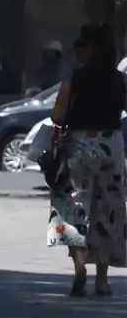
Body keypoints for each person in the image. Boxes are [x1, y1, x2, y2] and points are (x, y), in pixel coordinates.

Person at [46, 23, 126, 297]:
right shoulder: (119, 79)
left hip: (80, 144)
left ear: (91, 48)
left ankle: (80, 266)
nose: (76, 49)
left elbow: (57, 116)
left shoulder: (75, 78)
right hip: (112, 146)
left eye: (80, 44)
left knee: (73, 204)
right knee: (108, 209)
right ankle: (102, 281)